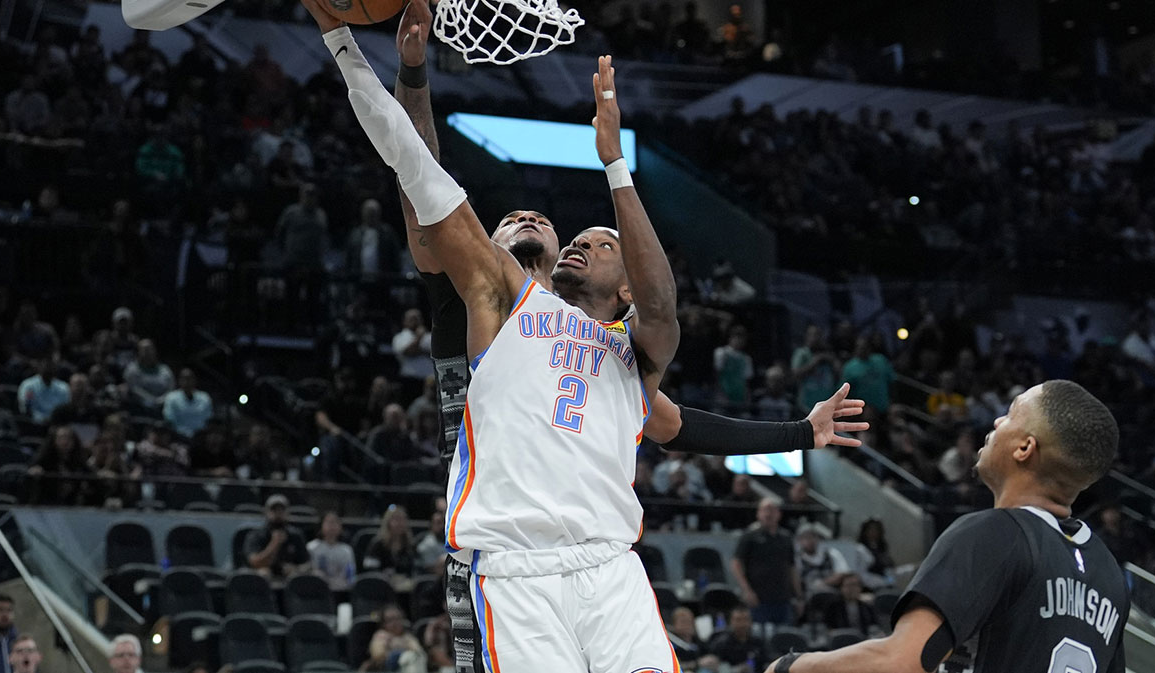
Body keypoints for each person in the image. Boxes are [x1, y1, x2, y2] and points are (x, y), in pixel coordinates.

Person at [334, 4, 869, 671]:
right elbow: (420, 175)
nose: (532, 219)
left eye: (575, 233)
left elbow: (685, 420)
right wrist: (404, 69)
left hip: (602, 559)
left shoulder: (618, 352)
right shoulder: (479, 291)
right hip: (503, 551)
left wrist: (800, 430)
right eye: (513, 219)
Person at [766, 380, 1128, 673]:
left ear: (1024, 448)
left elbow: (902, 662)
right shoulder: (1110, 575)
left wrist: (791, 666)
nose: (997, 423)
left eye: (1011, 415)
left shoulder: (995, 534)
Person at [732, 497, 799, 626]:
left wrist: (798, 595)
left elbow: (792, 567)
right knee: (759, 637)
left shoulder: (786, 537)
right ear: (758, 513)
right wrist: (747, 591)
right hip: (758, 597)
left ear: (779, 514)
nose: (768, 514)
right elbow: (736, 564)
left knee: (784, 637)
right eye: (764, 510)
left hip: (783, 597)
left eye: (772, 510)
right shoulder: (749, 536)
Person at [244, 494, 311, 578]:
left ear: (287, 513)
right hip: (265, 579)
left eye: (281, 510)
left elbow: (307, 564)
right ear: (267, 513)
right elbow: (254, 562)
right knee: (263, 573)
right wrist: (274, 544)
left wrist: (295, 569)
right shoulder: (255, 535)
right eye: (274, 510)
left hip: (290, 580)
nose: (278, 514)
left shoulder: (296, 535)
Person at [307, 511, 356, 592]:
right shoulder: (311, 547)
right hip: (317, 591)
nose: (332, 526)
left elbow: (350, 575)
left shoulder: (347, 550)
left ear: (341, 527)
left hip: (340, 590)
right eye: (329, 522)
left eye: (335, 522)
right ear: (321, 525)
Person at [795, 521, 849, 593]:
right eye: (806, 537)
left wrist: (823, 583)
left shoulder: (831, 554)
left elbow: (842, 573)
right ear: (799, 540)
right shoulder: (797, 559)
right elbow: (795, 579)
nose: (810, 541)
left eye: (813, 537)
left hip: (832, 595)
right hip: (809, 597)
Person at [362, 505, 416, 578]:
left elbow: (415, 569)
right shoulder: (378, 544)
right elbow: (370, 568)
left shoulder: (410, 545)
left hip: (404, 584)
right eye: (396, 519)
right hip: (381, 583)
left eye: (403, 519)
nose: (400, 523)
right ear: (388, 522)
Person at [708, 606, 766, 672]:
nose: (742, 624)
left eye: (746, 619)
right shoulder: (721, 644)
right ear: (730, 622)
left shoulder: (758, 643)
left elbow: (767, 662)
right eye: (738, 620)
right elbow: (714, 665)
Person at [162, 368, 213, 438]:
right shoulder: (171, 398)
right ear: (179, 381)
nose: (187, 381)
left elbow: (208, 419)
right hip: (178, 437)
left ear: (195, 380)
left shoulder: (205, 397)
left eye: (190, 378)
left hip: (201, 438)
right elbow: (170, 420)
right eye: (184, 379)